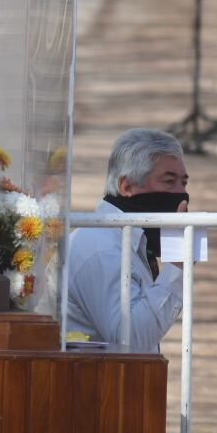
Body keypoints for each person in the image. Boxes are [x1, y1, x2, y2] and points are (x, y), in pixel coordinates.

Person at [64, 129, 190, 352]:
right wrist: (178, 263)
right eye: (169, 181)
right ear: (127, 187)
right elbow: (130, 339)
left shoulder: (130, 239)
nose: (181, 193)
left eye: (184, 182)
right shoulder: (102, 245)